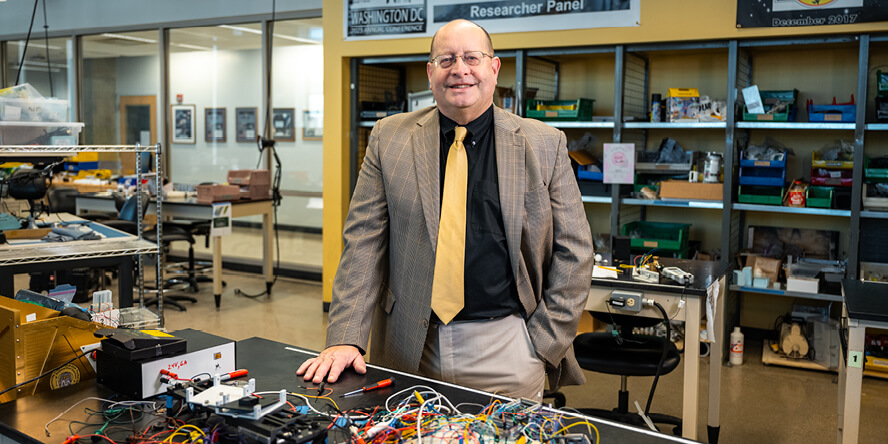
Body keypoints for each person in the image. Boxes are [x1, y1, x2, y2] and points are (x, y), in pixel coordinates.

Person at [297, 19, 593, 401]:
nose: (460, 69)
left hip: (509, 347)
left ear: (494, 68)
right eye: (447, 59)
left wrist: (543, 341)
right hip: (409, 348)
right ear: (431, 71)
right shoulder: (389, 138)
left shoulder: (544, 143)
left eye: (472, 57)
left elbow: (575, 250)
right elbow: (363, 244)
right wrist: (344, 338)